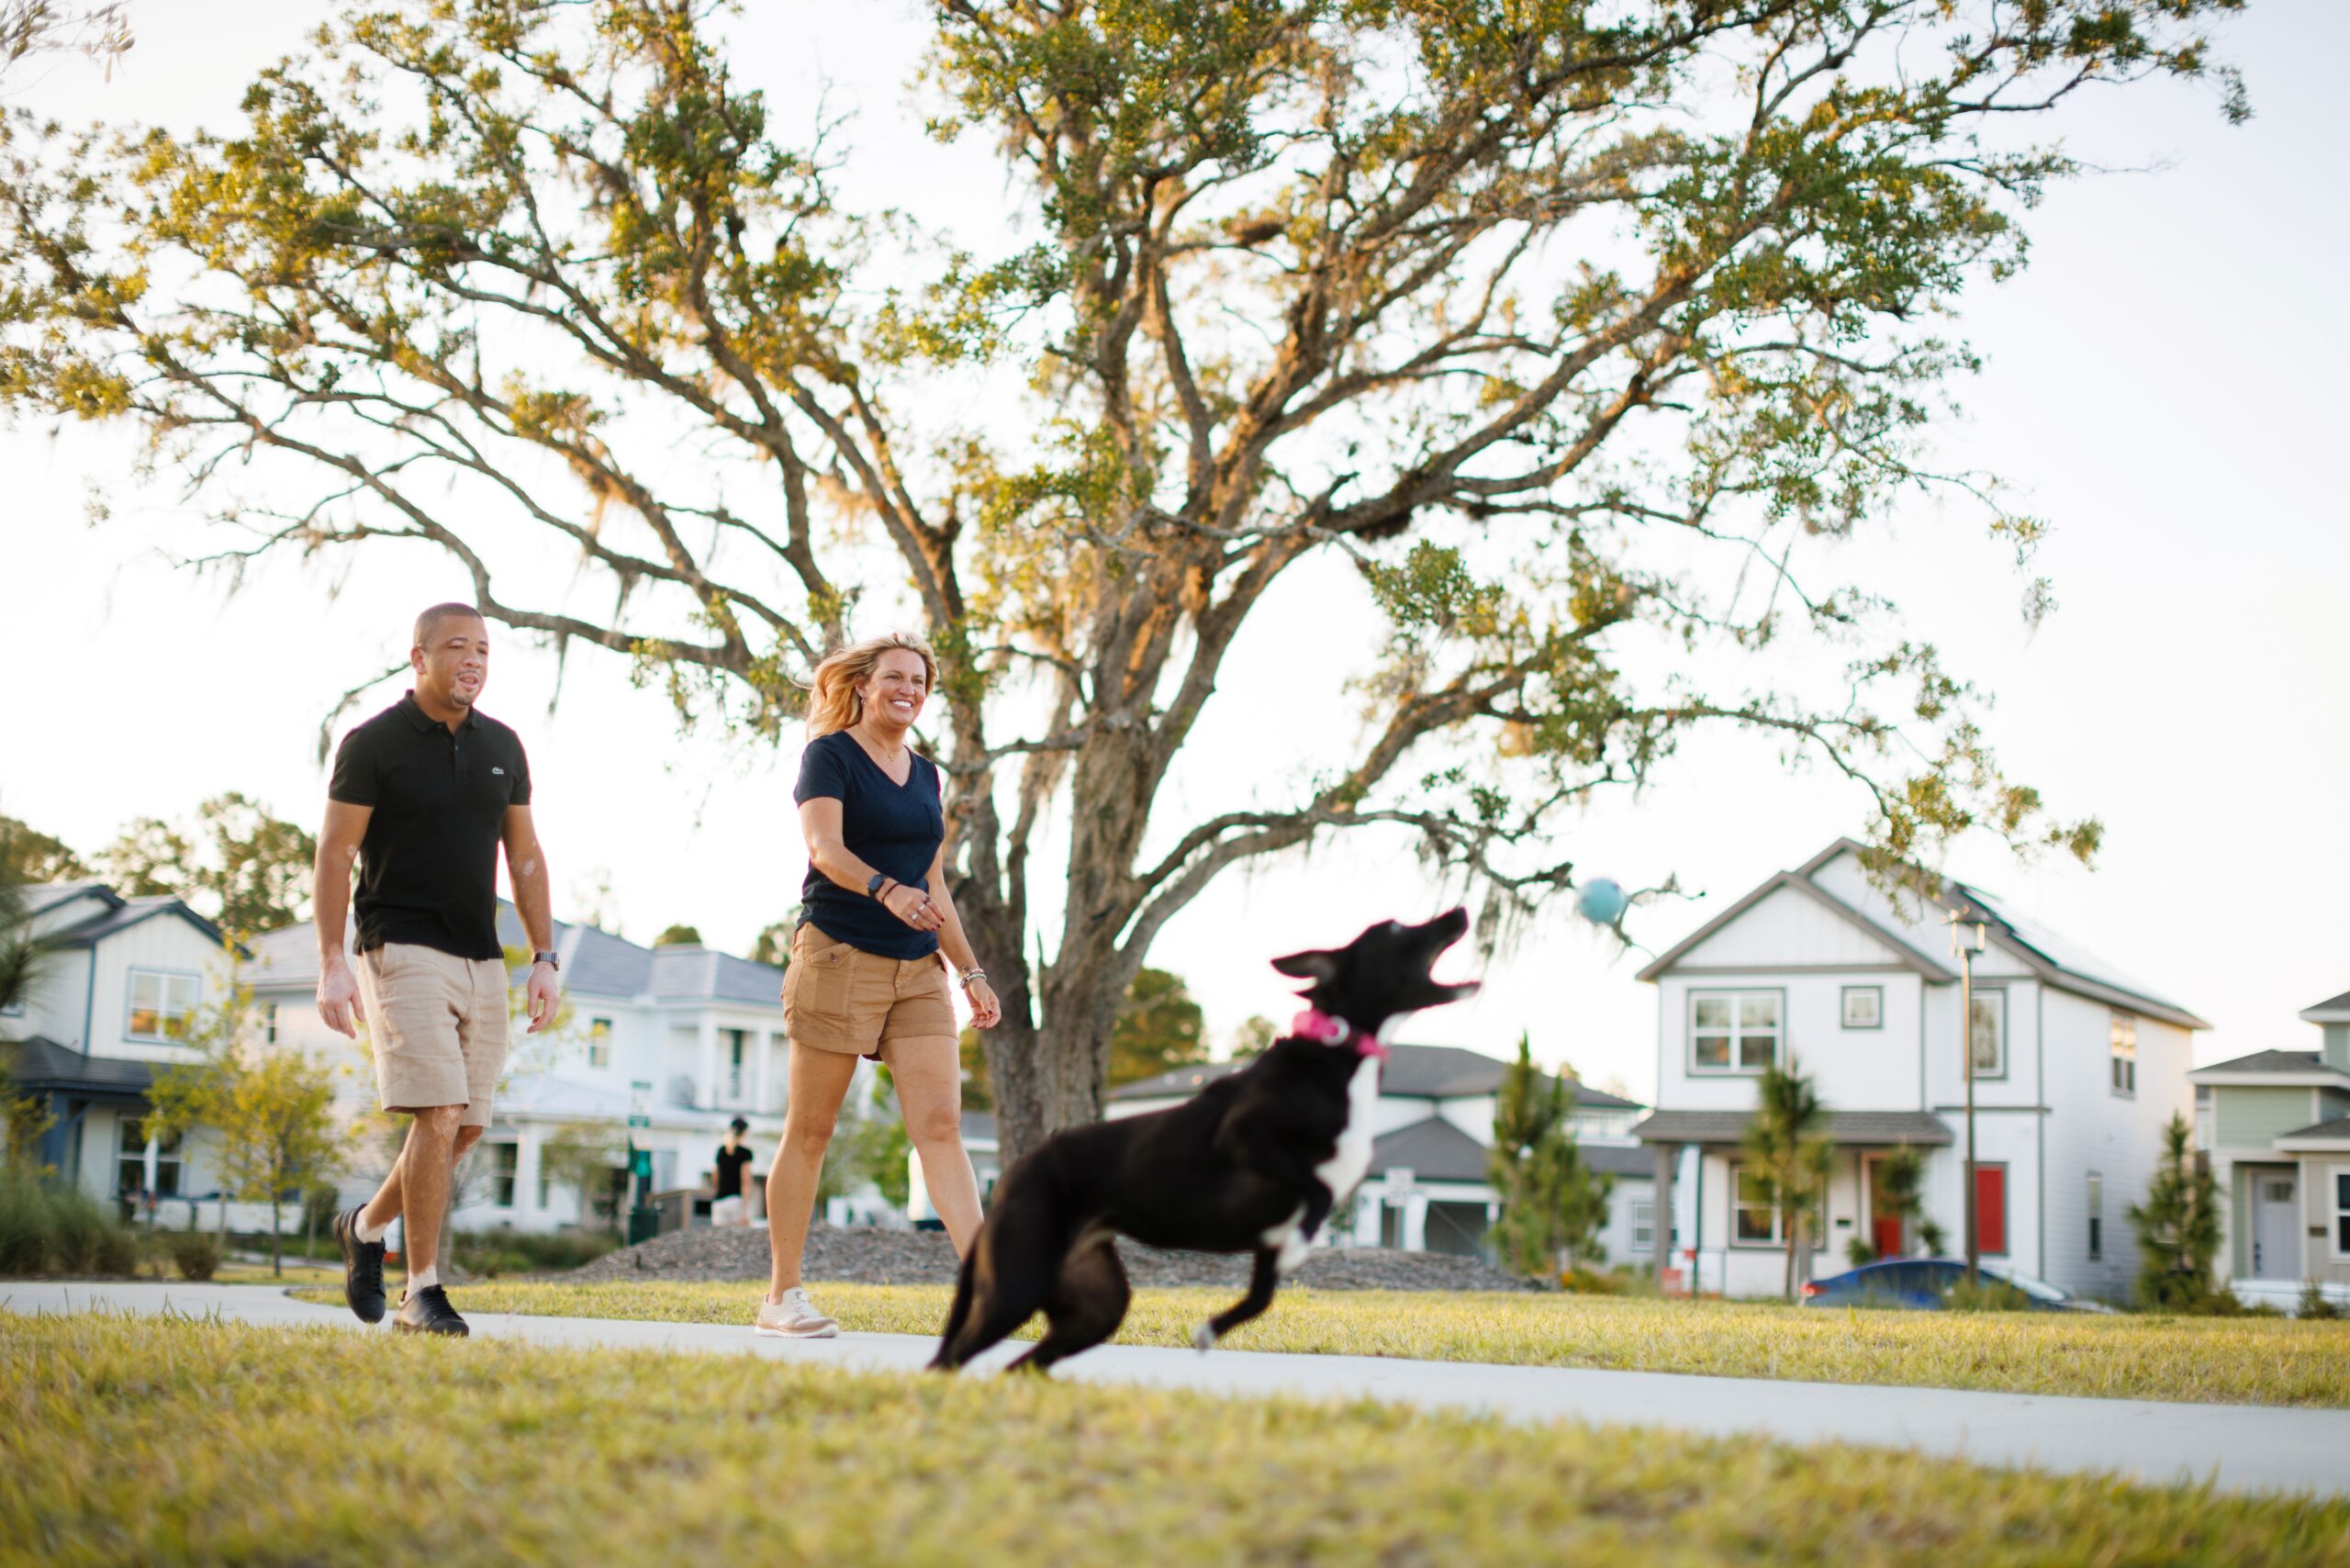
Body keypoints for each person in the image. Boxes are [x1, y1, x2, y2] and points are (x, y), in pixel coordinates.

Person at [315, 602, 562, 1337]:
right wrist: (331, 962)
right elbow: (335, 854)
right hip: (399, 946)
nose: (474, 660)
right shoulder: (372, 744)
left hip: (481, 953)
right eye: (457, 646)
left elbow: (525, 856)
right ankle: (421, 1291)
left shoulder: (503, 746)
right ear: (419, 658)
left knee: (466, 1127)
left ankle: (364, 1227)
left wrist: (544, 957)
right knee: (440, 1109)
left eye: (483, 649)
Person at [756, 633, 1002, 1338]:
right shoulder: (830, 755)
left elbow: (935, 884)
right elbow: (824, 849)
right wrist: (884, 889)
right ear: (863, 685)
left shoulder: (926, 775)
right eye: (895, 677)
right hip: (839, 956)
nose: (908, 690)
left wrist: (971, 972)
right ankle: (782, 1297)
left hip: (918, 971)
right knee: (812, 1129)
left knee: (941, 1126)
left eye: (919, 682)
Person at [711, 1116, 755, 1226]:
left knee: (719, 1235)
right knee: (740, 1235)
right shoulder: (745, 1152)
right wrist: (745, 1210)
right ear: (744, 1132)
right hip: (736, 1201)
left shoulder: (721, 1150)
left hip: (719, 1201)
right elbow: (745, 1181)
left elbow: (715, 1177)